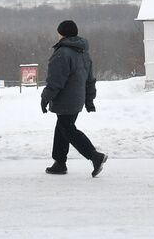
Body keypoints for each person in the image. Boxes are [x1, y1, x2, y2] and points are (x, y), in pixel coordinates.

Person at [40, 19, 106, 177]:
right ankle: (60, 163)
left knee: (68, 129)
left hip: (65, 99)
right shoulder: (82, 52)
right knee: (62, 126)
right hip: (77, 98)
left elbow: (55, 80)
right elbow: (90, 79)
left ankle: (95, 156)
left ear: (62, 34)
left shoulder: (62, 53)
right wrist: (89, 100)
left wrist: (45, 97)